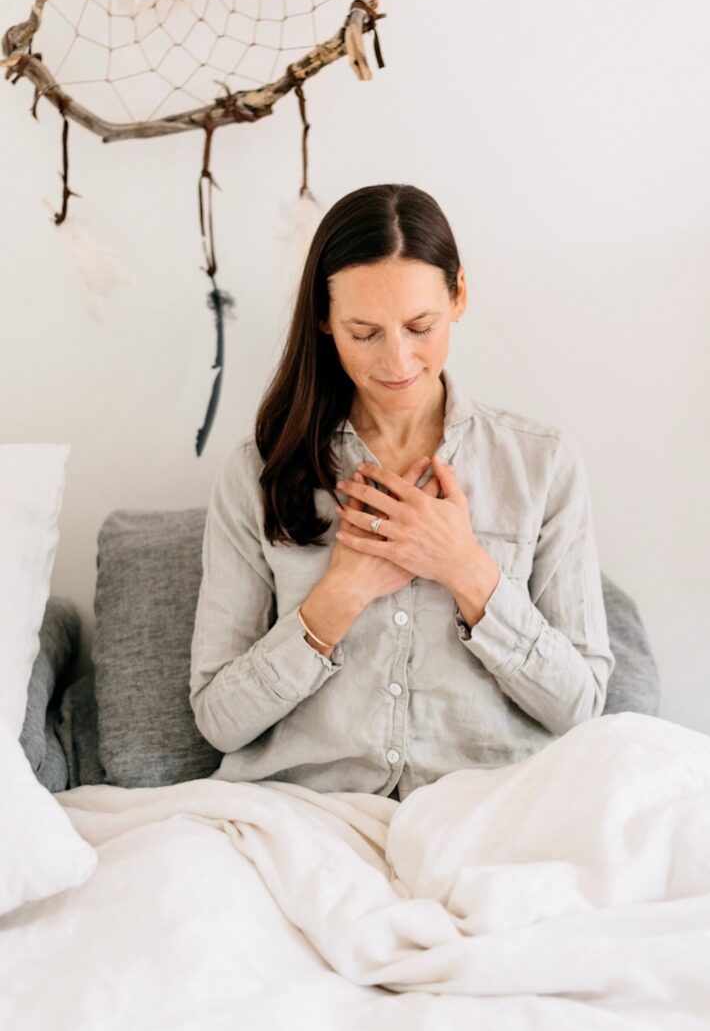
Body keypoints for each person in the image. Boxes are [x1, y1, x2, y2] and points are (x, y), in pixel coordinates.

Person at [189, 183, 615, 801]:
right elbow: (219, 721)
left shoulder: (542, 464)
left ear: (459, 295)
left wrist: (467, 570)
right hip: (310, 815)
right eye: (364, 332)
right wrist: (339, 596)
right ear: (324, 319)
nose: (397, 360)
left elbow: (581, 707)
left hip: (490, 811)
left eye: (421, 326)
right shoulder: (258, 472)